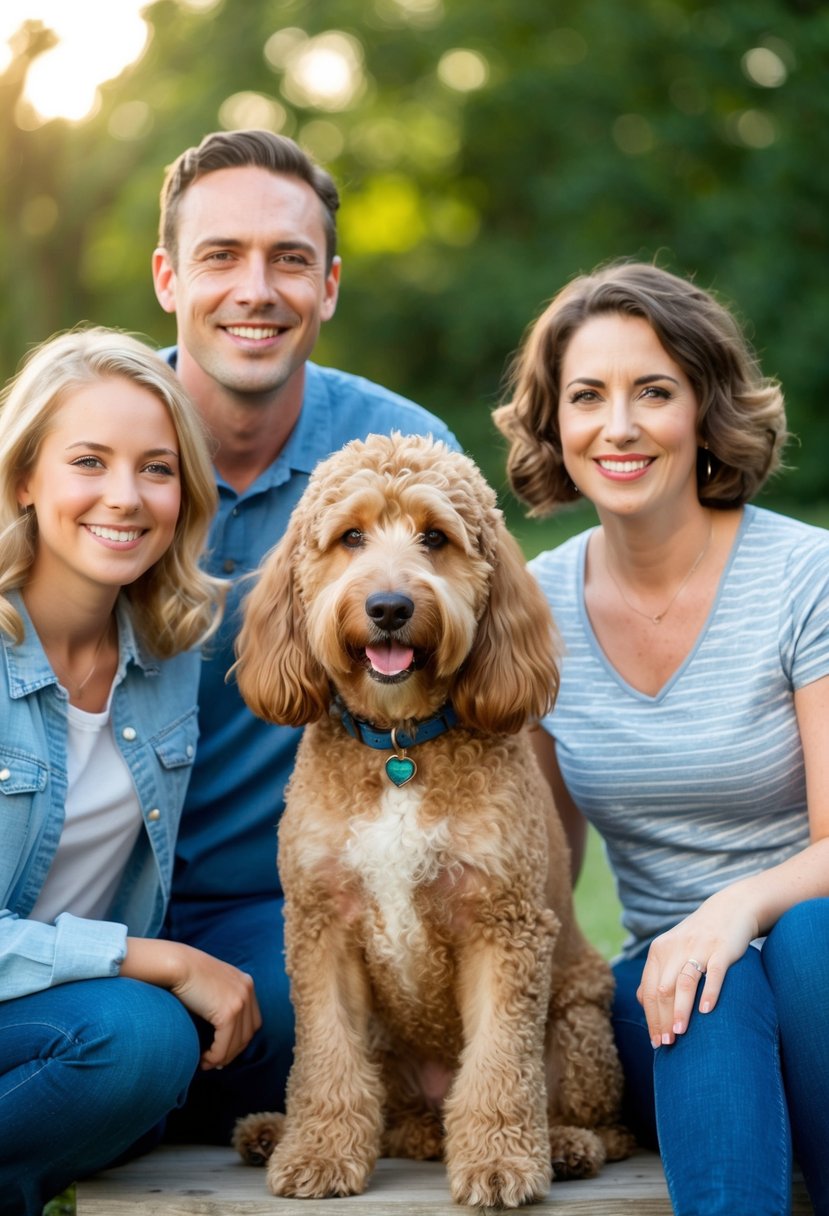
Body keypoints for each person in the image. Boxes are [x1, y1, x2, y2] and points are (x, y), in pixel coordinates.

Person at [494, 260, 829, 1216]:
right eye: (587, 396)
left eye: (654, 391)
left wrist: (734, 911)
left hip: (814, 959)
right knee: (696, 992)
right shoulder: (538, 607)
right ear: (554, 422)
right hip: (671, 1001)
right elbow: (541, 871)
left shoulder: (802, 577)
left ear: (704, 408)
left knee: (797, 941)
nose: (620, 426)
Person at [150, 128, 459, 1142]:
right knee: (138, 1040)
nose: (256, 288)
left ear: (327, 286)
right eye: (220, 256)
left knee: (288, 1019)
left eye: (288, 260)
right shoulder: (102, 448)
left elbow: (478, 695)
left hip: (275, 900)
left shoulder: (401, 456)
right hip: (79, 887)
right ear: (167, 278)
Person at [0, 328, 261, 1216]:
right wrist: (146, 957)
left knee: (219, 1035)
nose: (125, 497)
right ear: (25, 478)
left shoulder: (170, 652)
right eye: (88, 462)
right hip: (79, 1003)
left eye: (156, 468)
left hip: (51, 1011)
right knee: (142, 1041)